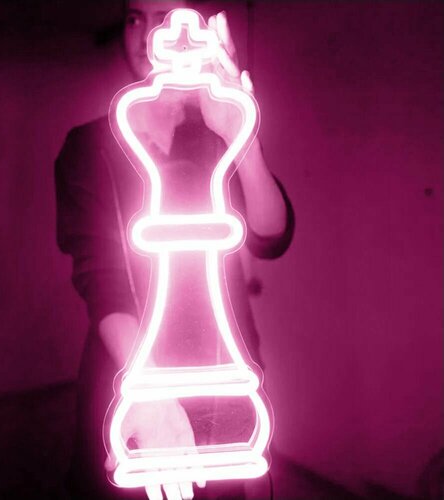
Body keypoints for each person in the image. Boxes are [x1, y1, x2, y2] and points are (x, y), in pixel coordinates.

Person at [55, 1, 294, 499]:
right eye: (133, 17)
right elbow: (101, 280)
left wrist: (241, 135)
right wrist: (150, 389)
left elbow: (271, 235)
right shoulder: (89, 145)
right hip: (128, 361)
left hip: (219, 362)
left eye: (163, 15)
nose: (145, 34)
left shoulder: (216, 128)